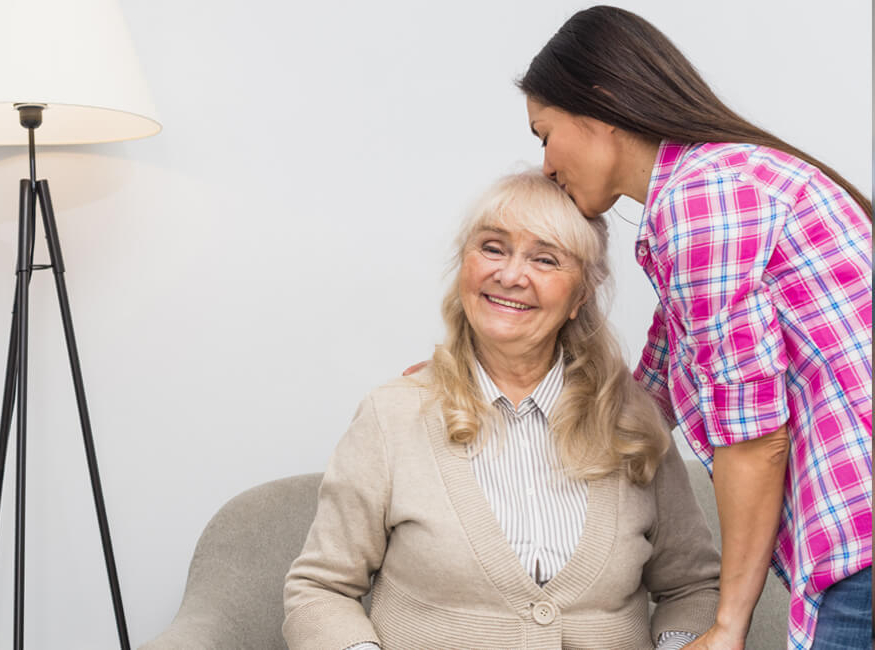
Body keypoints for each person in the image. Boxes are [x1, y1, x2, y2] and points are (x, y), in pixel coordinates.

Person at [515, 6, 873, 650]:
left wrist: (728, 625)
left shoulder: (701, 199)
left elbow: (755, 436)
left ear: (597, 102)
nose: (545, 164)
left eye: (544, 134)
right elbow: (647, 394)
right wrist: (473, 372)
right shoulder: (718, 185)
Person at [284, 170, 721, 649]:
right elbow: (320, 590)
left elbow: (691, 587)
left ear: (580, 296)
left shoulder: (632, 422)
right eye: (493, 248)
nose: (511, 275)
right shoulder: (392, 416)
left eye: (545, 258)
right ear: (464, 267)